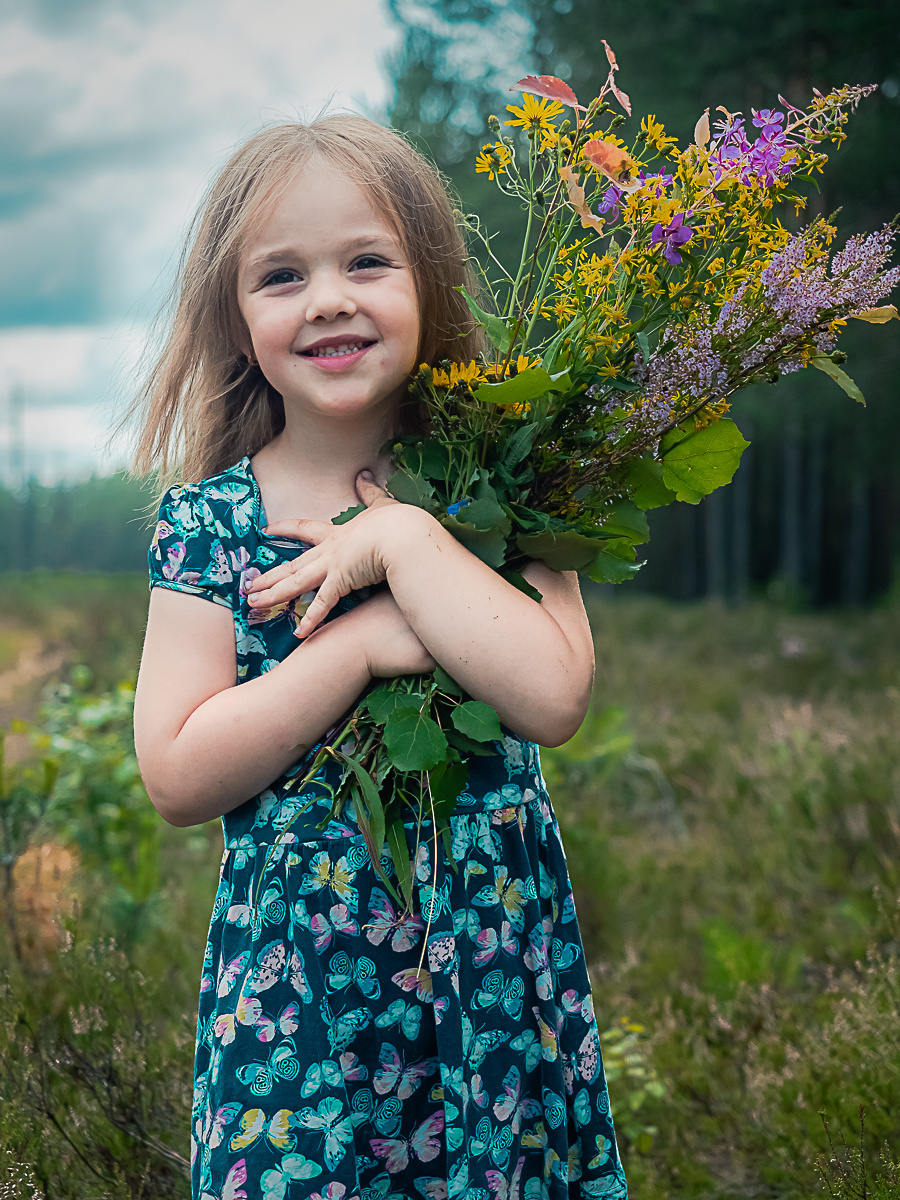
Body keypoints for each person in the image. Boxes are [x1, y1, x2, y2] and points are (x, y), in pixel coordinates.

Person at [132, 113, 628, 1200]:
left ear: (431, 281)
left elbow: (550, 696)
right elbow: (175, 771)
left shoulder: (505, 478)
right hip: (303, 1006)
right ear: (234, 318)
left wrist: (406, 541)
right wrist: (358, 647)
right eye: (281, 276)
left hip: (494, 983)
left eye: (367, 260)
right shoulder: (211, 523)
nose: (329, 299)